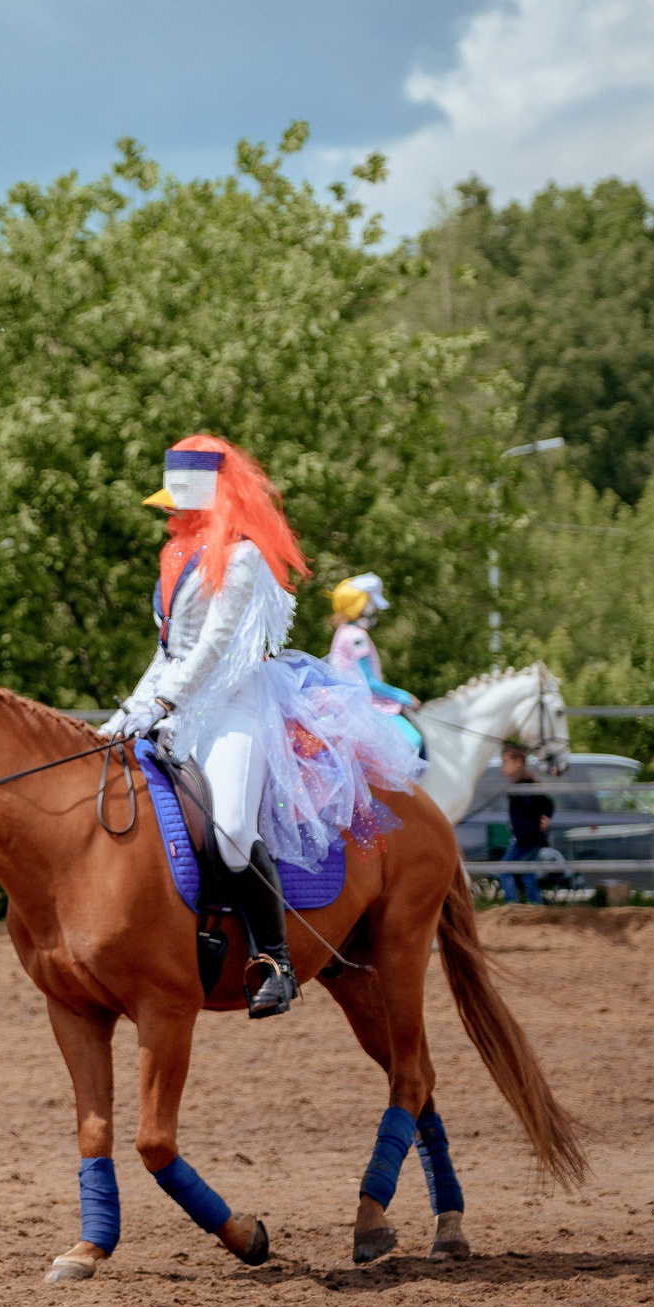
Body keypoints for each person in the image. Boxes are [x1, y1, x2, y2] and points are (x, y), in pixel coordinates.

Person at [100, 436, 424, 1018]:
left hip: (236, 705)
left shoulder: (243, 557)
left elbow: (216, 646)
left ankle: (273, 958)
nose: (169, 515)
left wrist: (165, 703)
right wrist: (126, 714)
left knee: (228, 829)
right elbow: (169, 649)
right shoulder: (175, 557)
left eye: (178, 504)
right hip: (183, 706)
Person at [326, 573, 424, 756]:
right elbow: (370, 683)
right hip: (364, 706)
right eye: (371, 603)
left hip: (350, 704)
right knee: (413, 740)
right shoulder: (357, 636)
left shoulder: (343, 632)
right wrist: (404, 697)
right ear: (363, 605)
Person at [498, 741, 555, 905]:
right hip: (527, 839)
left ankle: (512, 905)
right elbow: (547, 804)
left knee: (505, 869)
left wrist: (545, 817)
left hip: (529, 840)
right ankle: (535, 905)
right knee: (527, 873)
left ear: (518, 763)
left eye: (505, 762)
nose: (502, 767)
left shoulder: (526, 786)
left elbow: (547, 803)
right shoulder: (519, 785)